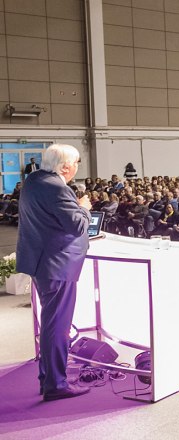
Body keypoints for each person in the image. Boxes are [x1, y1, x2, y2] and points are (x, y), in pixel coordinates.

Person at [17, 144, 92, 401]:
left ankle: (48, 377)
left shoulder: (34, 180)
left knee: (50, 323)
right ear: (66, 167)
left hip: (41, 262)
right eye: (76, 164)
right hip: (57, 264)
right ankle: (56, 384)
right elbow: (77, 225)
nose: (76, 168)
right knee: (57, 326)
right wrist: (83, 206)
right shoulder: (58, 187)